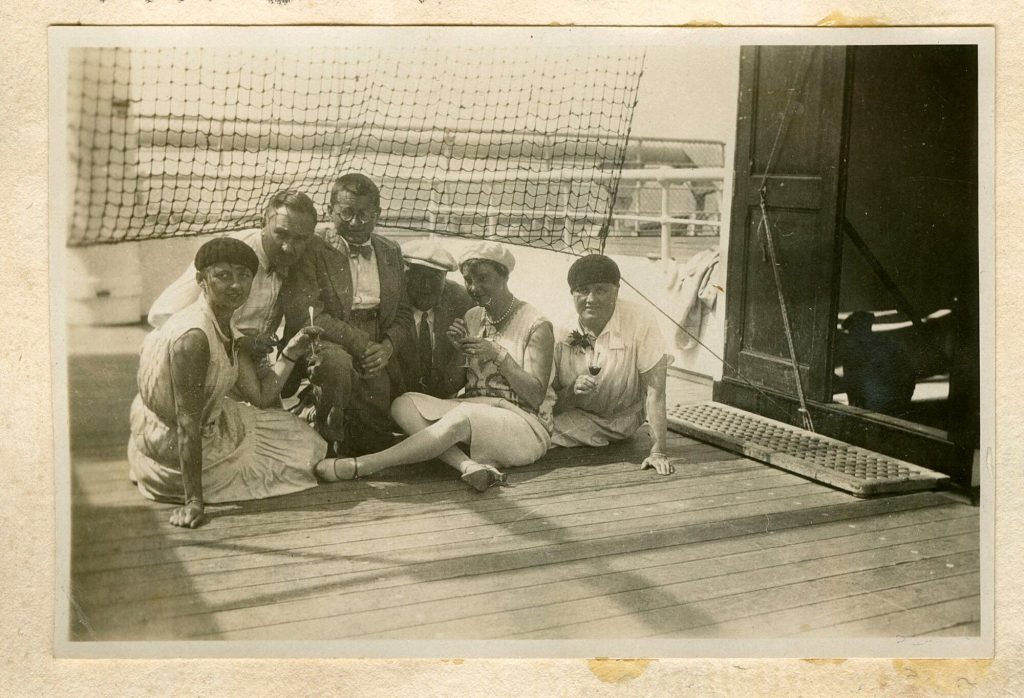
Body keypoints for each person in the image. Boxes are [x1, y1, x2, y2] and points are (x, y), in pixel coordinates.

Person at [314, 242, 555, 492]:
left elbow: (536, 396)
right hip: (480, 412)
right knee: (404, 404)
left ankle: (362, 466)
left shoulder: (536, 324)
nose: (474, 288)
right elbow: (455, 384)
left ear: (505, 276)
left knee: (460, 417)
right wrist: (458, 353)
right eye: (469, 280)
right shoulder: (474, 316)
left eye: (483, 279)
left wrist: (497, 354)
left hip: (524, 424)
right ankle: (467, 466)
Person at [127, 238, 328, 529]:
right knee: (299, 456)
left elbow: (261, 396)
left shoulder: (224, 322)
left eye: (243, 275)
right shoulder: (194, 339)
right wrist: (194, 502)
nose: (235, 285)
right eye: (223, 275)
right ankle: (192, 487)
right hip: (178, 449)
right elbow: (187, 424)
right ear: (201, 280)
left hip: (196, 427)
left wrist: (292, 351)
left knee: (300, 435)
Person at [281, 173, 413, 456]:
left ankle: (313, 416)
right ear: (329, 211)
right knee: (336, 366)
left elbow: (402, 313)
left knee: (371, 437)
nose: (355, 223)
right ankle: (323, 444)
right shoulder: (312, 246)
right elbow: (308, 315)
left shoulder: (391, 251)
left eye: (365, 215)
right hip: (327, 339)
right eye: (347, 213)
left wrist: (387, 348)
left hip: (377, 344)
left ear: (378, 214)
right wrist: (360, 344)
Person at [147, 190, 319, 358]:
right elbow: (162, 313)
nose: (287, 247)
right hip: (191, 358)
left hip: (244, 360)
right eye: (281, 234)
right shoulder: (231, 251)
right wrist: (237, 340)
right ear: (262, 224)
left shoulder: (302, 258)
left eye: (299, 239)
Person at [547, 254, 675, 475]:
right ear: (572, 293)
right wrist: (572, 390)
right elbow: (551, 402)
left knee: (538, 437)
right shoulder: (559, 328)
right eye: (583, 290)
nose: (591, 299)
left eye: (601, 290)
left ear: (616, 292)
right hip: (575, 415)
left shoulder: (640, 319)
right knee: (531, 430)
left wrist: (658, 451)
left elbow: (656, 392)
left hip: (623, 419)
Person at [392, 238, 474, 399]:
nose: (426, 286)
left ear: (445, 277)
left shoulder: (462, 301)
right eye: (419, 276)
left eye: (435, 277)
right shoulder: (390, 303)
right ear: (405, 276)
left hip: (443, 400)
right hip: (396, 401)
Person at [840, 310, 917, 417]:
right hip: (876, 407)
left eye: (853, 331)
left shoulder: (884, 348)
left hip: (885, 406)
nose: (851, 337)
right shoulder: (854, 352)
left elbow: (907, 375)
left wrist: (901, 401)